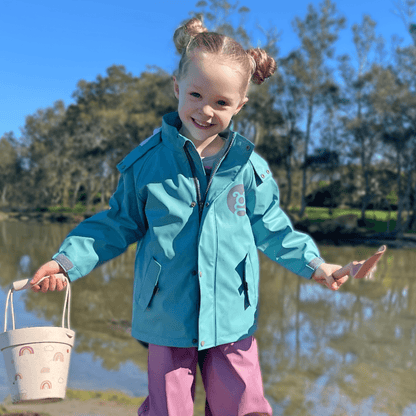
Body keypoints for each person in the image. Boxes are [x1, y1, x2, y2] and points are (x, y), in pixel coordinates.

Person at [30, 17, 350, 416]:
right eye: (196, 94)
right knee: (168, 410)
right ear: (177, 88)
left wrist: (315, 264)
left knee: (243, 408)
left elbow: (272, 227)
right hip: (165, 314)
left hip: (232, 315)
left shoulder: (249, 168)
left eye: (221, 102)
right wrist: (65, 262)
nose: (206, 110)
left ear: (240, 105)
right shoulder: (146, 164)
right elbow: (117, 223)